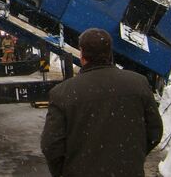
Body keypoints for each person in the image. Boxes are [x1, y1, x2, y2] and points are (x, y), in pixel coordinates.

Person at [40, 28, 163, 177]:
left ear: (82, 54)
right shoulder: (138, 83)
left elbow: (51, 145)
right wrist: (132, 158)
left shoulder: (62, 93)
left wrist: (65, 171)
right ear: (109, 53)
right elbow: (155, 132)